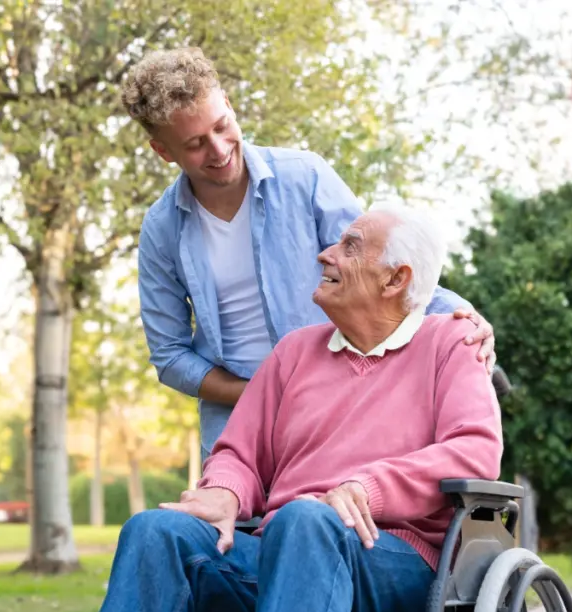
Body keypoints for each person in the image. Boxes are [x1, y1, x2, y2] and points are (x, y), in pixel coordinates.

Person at [70, 203, 504, 612]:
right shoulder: (294, 352)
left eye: (350, 247)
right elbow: (241, 454)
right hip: (280, 549)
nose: (325, 255)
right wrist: (225, 491)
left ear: (394, 279)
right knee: (156, 533)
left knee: (305, 520)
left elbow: (474, 449)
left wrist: (367, 488)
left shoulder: (450, 342)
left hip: (390, 556)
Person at [122, 46, 497, 460]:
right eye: (195, 144)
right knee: (230, 521)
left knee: (319, 519)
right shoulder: (161, 231)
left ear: (228, 105)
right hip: (237, 418)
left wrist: (463, 316)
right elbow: (171, 356)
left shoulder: (305, 178)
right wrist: (260, 395)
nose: (218, 149)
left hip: (333, 402)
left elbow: (377, 269)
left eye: (222, 125)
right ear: (164, 151)